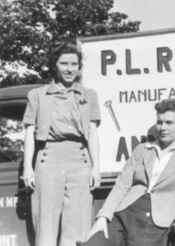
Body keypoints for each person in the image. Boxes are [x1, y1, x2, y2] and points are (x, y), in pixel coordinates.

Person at [81, 99, 175, 246]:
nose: (163, 128)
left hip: (155, 222)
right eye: (159, 122)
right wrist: (103, 217)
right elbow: (121, 185)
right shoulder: (142, 149)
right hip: (124, 213)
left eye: (169, 123)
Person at [22, 42, 101, 246]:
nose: (69, 69)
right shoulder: (37, 95)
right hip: (48, 161)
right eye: (64, 63)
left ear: (79, 67)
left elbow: (92, 134)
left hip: (80, 162)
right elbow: (29, 132)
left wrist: (96, 168)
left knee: (77, 228)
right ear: (54, 65)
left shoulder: (88, 95)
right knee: (46, 226)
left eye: (74, 64)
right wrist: (28, 168)